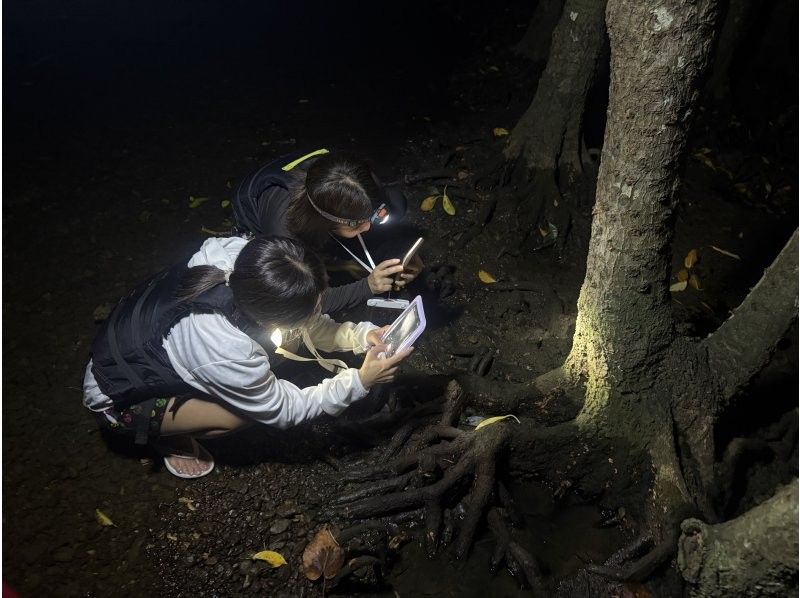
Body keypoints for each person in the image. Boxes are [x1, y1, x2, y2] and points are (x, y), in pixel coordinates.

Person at [83, 235, 413, 479]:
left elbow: (305, 321)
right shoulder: (223, 348)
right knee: (239, 416)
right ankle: (167, 436)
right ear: (269, 315)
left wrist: (359, 336)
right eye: (311, 307)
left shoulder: (248, 259)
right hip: (120, 395)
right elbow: (283, 409)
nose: (319, 309)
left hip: (139, 340)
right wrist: (359, 381)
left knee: (288, 345)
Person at [231, 148, 424, 314]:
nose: (366, 228)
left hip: (310, 196)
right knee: (296, 279)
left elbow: (373, 217)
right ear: (323, 221)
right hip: (256, 213)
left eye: (371, 217)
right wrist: (367, 286)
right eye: (355, 225)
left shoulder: (356, 180)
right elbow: (306, 301)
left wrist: (402, 253)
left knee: (396, 204)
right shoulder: (285, 231)